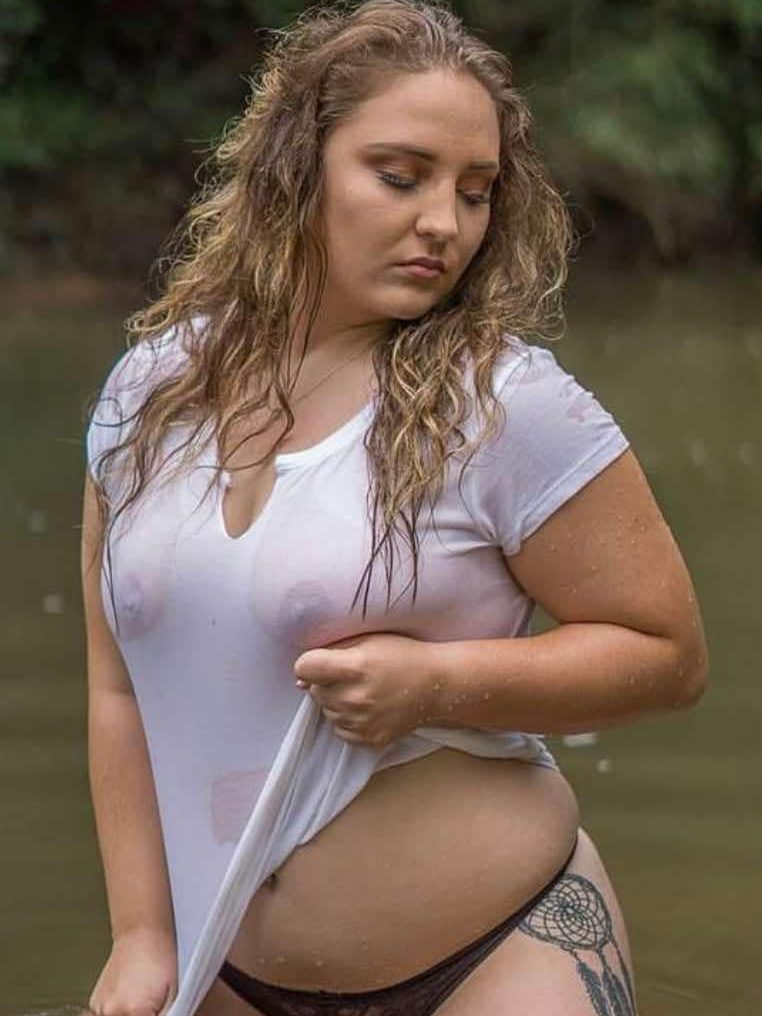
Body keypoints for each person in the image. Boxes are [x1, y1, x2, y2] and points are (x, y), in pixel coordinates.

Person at [80, 1, 708, 1014]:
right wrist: (142, 933)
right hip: (213, 961)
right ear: (297, 166)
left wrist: (437, 680)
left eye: (475, 191)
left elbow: (668, 653)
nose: (444, 223)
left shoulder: (509, 402)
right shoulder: (146, 395)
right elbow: (118, 690)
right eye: (401, 175)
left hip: (498, 957)